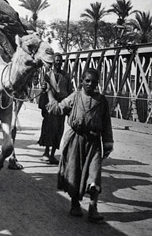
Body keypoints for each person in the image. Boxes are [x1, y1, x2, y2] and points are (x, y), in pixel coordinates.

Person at [46, 68, 114, 222]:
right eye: (87, 81)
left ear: (98, 83)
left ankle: (93, 208)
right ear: (81, 82)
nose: (90, 84)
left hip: (94, 143)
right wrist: (49, 94)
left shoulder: (102, 101)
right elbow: (57, 109)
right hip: (76, 139)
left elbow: (106, 123)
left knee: (94, 173)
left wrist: (108, 142)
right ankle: (75, 204)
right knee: (74, 173)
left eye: (94, 81)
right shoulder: (75, 97)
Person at [38, 53, 73, 164]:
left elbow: (70, 92)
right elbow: (44, 91)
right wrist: (44, 90)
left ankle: (52, 154)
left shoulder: (66, 76)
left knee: (59, 130)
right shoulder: (47, 75)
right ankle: (46, 152)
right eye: (56, 61)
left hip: (61, 106)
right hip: (50, 106)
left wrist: (68, 106)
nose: (58, 63)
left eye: (60, 61)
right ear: (53, 62)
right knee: (48, 129)